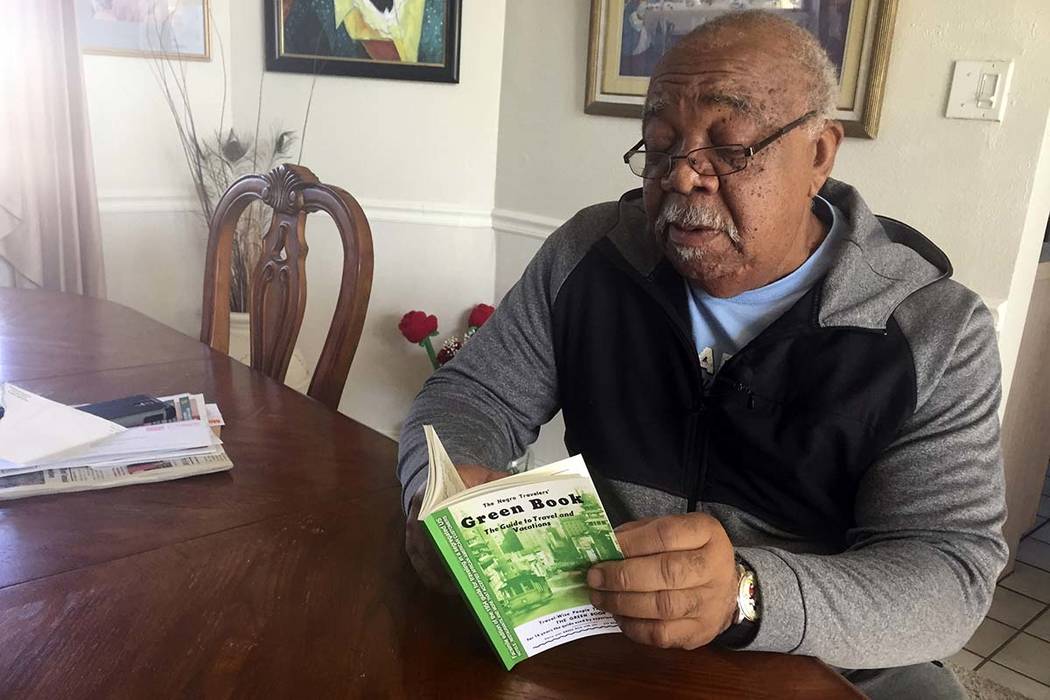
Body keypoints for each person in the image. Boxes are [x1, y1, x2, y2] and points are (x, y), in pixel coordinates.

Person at [398, 10, 1006, 699]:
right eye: (661, 145)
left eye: (730, 147)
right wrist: (439, 488)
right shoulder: (591, 256)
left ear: (819, 154)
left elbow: (948, 571)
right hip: (608, 631)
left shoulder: (933, 330)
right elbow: (473, 394)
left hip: (827, 664)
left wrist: (746, 594)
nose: (683, 177)